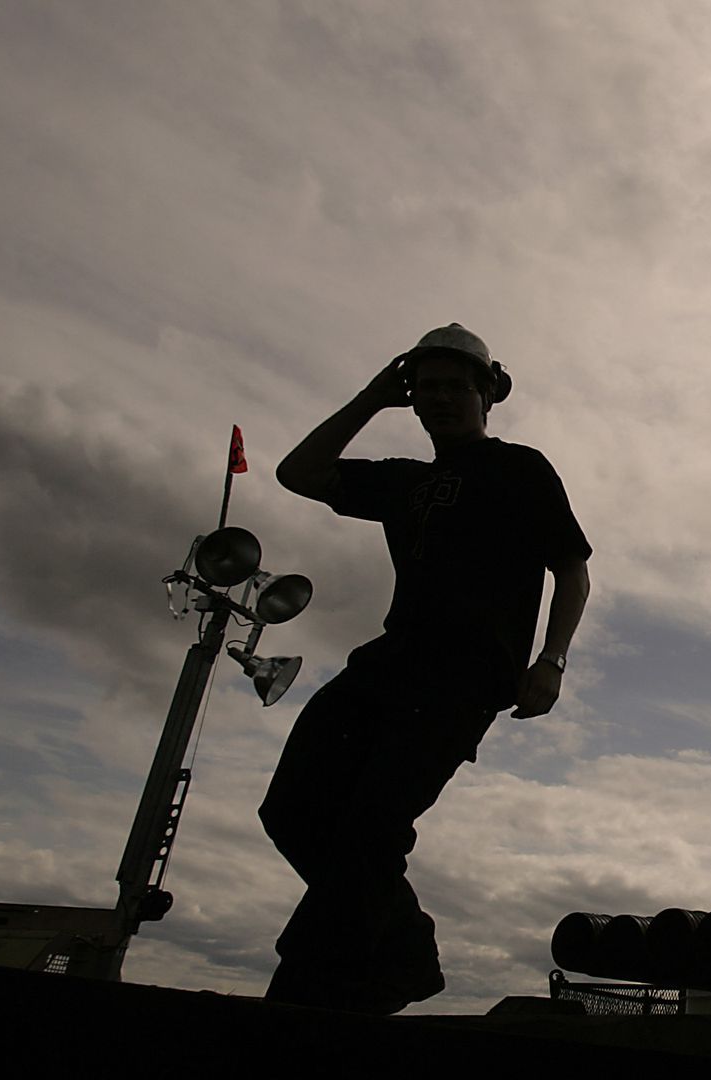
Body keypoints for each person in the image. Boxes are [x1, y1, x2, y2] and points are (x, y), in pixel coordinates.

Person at [259, 323, 591, 1012]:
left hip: (465, 672)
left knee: (371, 825)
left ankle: (324, 984)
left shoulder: (520, 468)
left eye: (455, 387)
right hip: (389, 660)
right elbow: (299, 473)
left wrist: (551, 661)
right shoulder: (403, 482)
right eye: (426, 388)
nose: (439, 399)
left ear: (486, 394)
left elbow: (572, 569)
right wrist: (371, 397)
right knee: (292, 809)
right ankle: (405, 948)